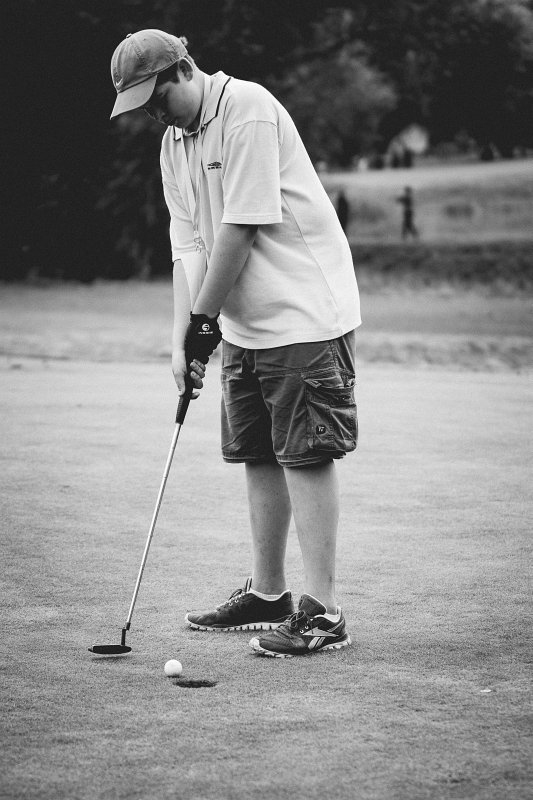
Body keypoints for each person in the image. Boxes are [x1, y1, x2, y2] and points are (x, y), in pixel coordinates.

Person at [110, 29, 362, 658]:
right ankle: (269, 593)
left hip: (302, 311)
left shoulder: (246, 108)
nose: (153, 113)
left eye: (156, 97)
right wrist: (184, 339)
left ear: (183, 69)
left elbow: (241, 226)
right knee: (259, 451)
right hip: (243, 322)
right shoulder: (173, 144)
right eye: (141, 106)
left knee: (305, 453)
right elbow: (188, 245)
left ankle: (325, 612)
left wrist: (204, 320)